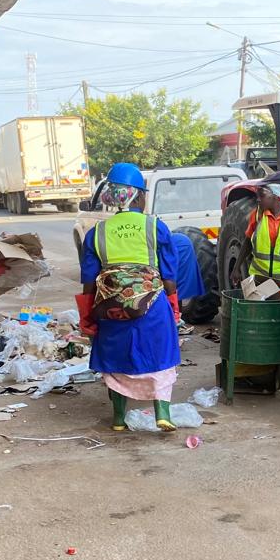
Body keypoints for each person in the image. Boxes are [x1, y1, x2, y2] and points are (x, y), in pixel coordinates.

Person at [75, 162, 182, 432]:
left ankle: (119, 419)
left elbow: (88, 282)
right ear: (139, 195)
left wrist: (87, 317)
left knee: (117, 360)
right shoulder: (155, 227)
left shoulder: (96, 233)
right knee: (161, 357)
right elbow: (169, 275)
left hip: (111, 308)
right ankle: (163, 414)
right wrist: (173, 306)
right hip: (152, 306)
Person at [235, 172, 280, 291]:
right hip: (259, 282)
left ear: (275, 195)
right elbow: (248, 242)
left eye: (262, 196)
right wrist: (236, 268)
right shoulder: (257, 215)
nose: (258, 200)